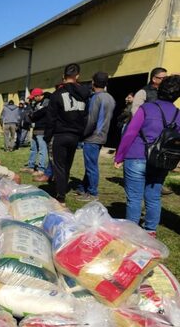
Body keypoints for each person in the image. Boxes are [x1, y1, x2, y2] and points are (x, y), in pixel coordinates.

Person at [114, 75, 180, 237]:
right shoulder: (178, 114)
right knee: (154, 196)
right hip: (161, 159)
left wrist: (119, 156)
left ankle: (132, 230)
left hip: (137, 155)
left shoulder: (147, 108)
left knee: (134, 197)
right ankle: (150, 230)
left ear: (159, 89)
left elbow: (130, 132)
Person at [44, 63, 91, 203]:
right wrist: (81, 134)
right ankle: (62, 188)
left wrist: (47, 136)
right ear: (77, 76)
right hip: (75, 135)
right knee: (67, 164)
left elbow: (51, 117)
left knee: (59, 165)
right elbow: (86, 116)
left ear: (63, 76)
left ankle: (60, 195)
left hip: (60, 134)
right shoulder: (84, 95)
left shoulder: (57, 94)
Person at [75, 72, 116, 201]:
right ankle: (83, 187)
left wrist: (82, 134)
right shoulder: (110, 98)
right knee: (91, 163)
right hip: (102, 134)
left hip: (92, 136)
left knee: (91, 166)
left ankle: (92, 193)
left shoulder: (96, 98)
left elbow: (91, 120)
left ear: (93, 82)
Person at [21, 88, 49, 177]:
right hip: (36, 128)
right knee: (33, 149)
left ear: (39, 96)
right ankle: (31, 166)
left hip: (43, 128)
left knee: (42, 149)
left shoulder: (46, 102)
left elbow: (39, 113)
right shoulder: (36, 103)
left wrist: (32, 115)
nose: (32, 99)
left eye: (34, 97)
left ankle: (41, 169)